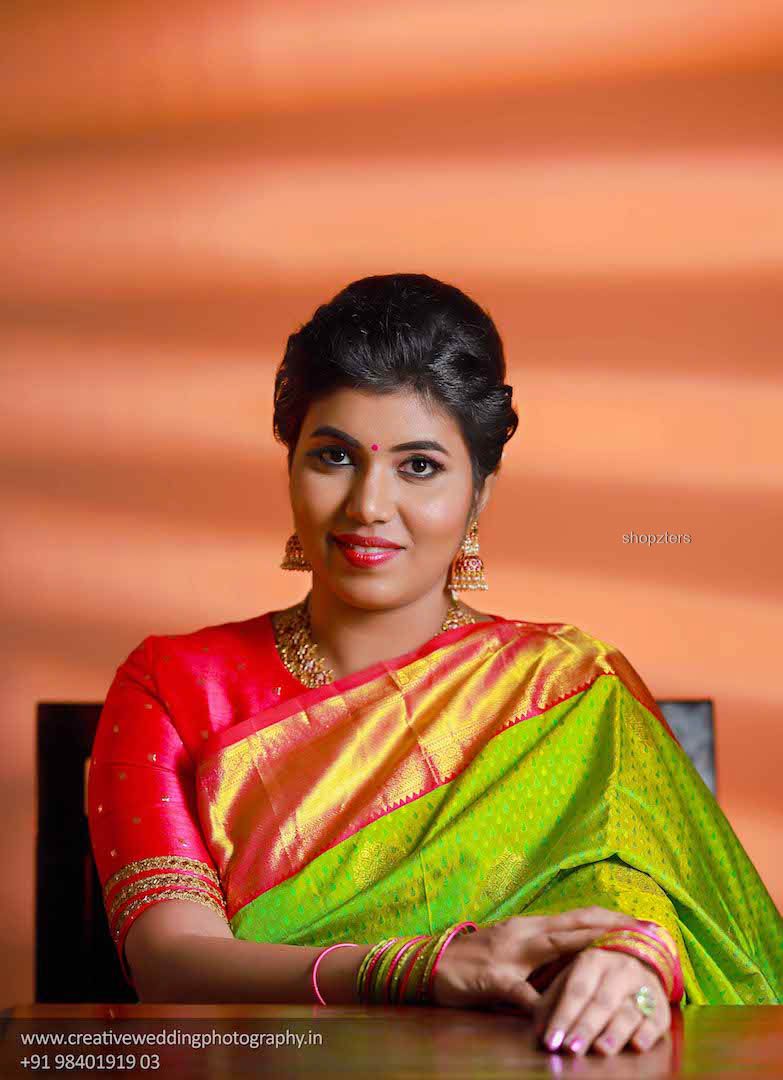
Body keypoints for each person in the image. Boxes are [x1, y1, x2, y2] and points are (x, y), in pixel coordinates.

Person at [87, 273, 782, 1058]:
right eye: (333, 457)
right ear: (289, 468)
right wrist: (415, 969)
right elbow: (169, 964)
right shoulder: (173, 684)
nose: (367, 506)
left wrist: (634, 959)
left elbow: (638, 897)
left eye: (418, 466)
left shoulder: (566, 688)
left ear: (478, 494)